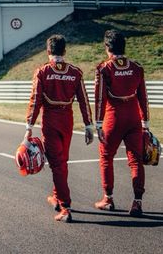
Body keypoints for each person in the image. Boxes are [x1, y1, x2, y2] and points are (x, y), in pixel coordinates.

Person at [24, 34, 94, 222]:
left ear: (48, 52)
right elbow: (84, 101)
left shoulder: (42, 72)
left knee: (56, 164)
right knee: (62, 161)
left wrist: (28, 127)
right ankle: (56, 196)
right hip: (67, 121)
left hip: (50, 121)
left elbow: (35, 101)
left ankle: (65, 207)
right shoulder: (76, 72)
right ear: (64, 51)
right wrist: (88, 125)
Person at [94, 29, 149, 217]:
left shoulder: (104, 68)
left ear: (107, 47)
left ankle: (108, 199)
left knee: (106, 157)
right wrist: (146, 124)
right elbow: (143, 98)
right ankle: (137, 202)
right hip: (134, 118)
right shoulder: (137, 67)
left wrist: (98, 123)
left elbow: (100, 99)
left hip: (113, 118)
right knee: (136, 160)